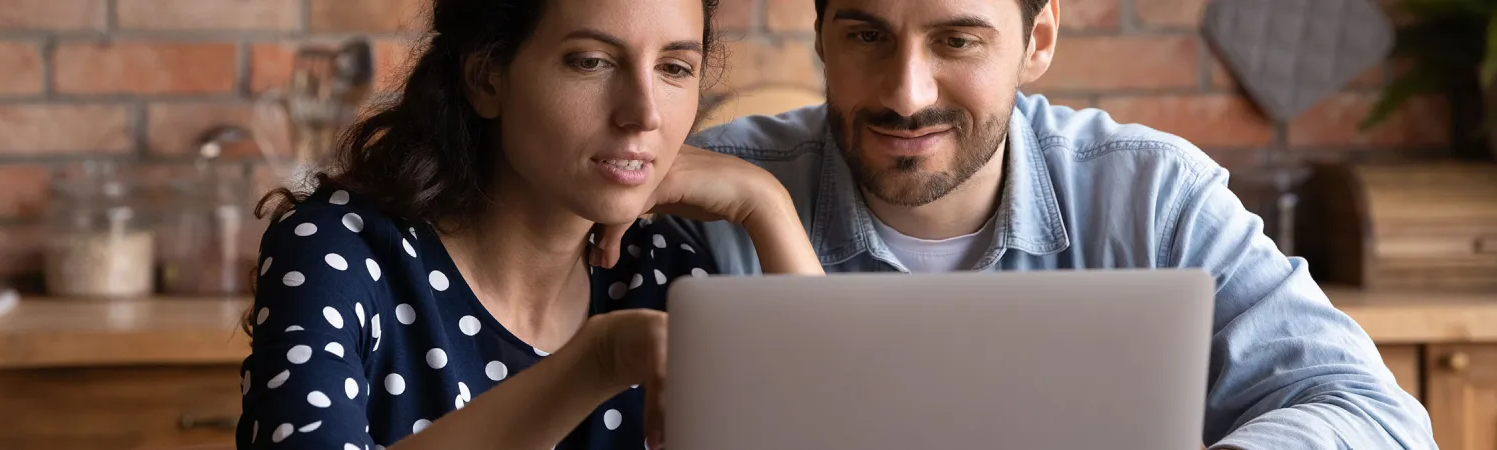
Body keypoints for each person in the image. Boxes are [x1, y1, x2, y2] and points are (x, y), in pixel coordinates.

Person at [598, 0, 1437, 448]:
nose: (907, 91)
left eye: (957, 41)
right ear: (821, 33)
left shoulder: (1150, 195)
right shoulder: (711, 197)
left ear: (1037, 39)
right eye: (866, 36)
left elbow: (1377, 416)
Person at [234, 0, 824, 448]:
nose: (644, 113)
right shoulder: (339, 252)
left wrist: (765, 205)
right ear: (486, 78)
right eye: (591, 61)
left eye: (674, 68)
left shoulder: (667, 272)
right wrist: (600, 361)